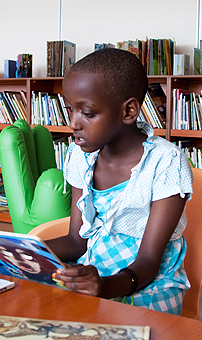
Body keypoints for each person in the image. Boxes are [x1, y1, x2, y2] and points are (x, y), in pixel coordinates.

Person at [47, 48, 193, 315]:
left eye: (87, 113)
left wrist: (103, 287)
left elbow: (149, 262)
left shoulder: (166, 162)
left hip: (149, 285)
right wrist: (15, 249)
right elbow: (76, 241)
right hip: (95, 274)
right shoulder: (80, 155)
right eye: (70, 109)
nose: (73, 123)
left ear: (128, 111)